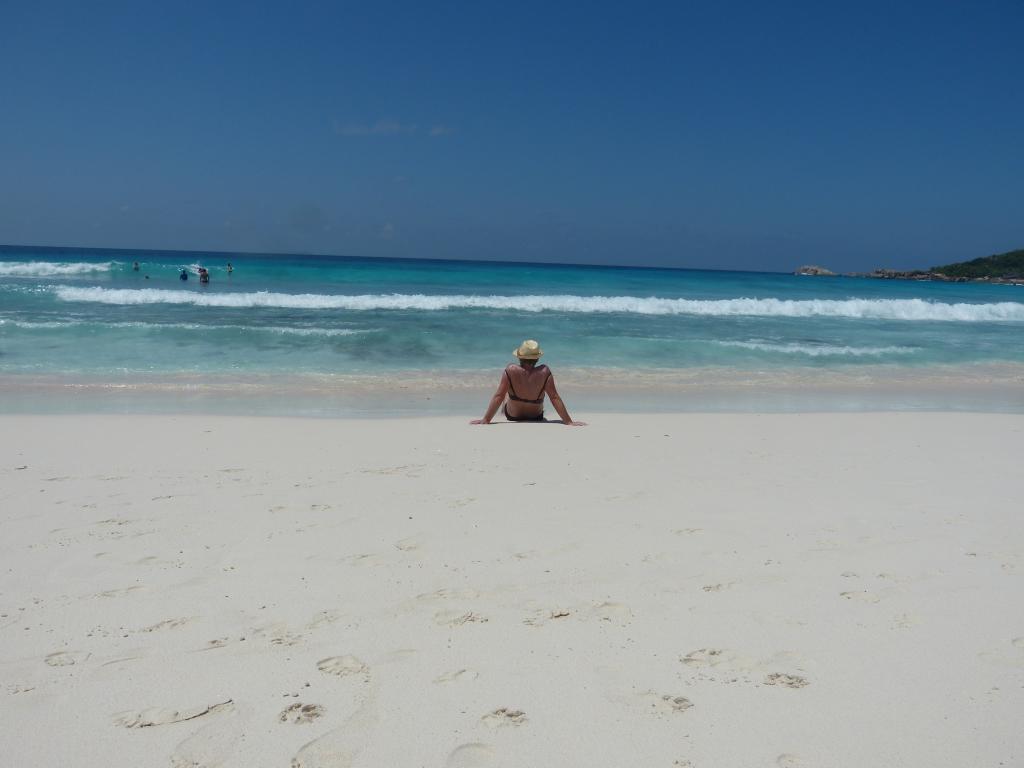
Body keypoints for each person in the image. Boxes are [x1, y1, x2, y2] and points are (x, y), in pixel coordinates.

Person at [471, 339, 585, 426]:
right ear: (537, 359)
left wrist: (486, 419)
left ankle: (504, 408)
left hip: (513, 416)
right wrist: (568, 421)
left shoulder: (511, 370)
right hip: (536, 416)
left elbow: (498, 396)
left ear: (520, 357)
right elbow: (554, 398)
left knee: (505, 393)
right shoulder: (545, 371)